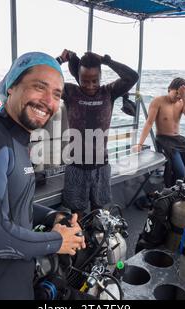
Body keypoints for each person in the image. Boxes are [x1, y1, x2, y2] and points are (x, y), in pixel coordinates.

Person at [0, 52, 86, 300]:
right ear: (11, 87)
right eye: (39, 87)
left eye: (57, 94)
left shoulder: (16, 141)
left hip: (18, 285)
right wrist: (57, 241)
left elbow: (14, 203)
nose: (48, 101)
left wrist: (55, 216)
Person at [57, 49, 139, 217]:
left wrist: (107, 61)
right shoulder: (70, 92)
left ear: (101, 77)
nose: (90, 86)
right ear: (77, 77)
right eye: (85, 81)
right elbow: (43, 80)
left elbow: (132, 77)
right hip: (76, 166)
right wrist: (59, 59)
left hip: (101, 166)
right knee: (76, 216)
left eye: (95, 80)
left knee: (100, 214)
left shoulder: (109, 92)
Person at [133, 77, 185, 189]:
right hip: (164, 140)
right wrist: (140, 144)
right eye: (177, 93)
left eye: (181, 94)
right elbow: (149, 123)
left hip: (179, 140)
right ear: (169, 89)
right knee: (180, 172)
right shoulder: (158, 101)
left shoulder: (181, 102)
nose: (178, 96)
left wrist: (184, 97)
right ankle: (172, 198)